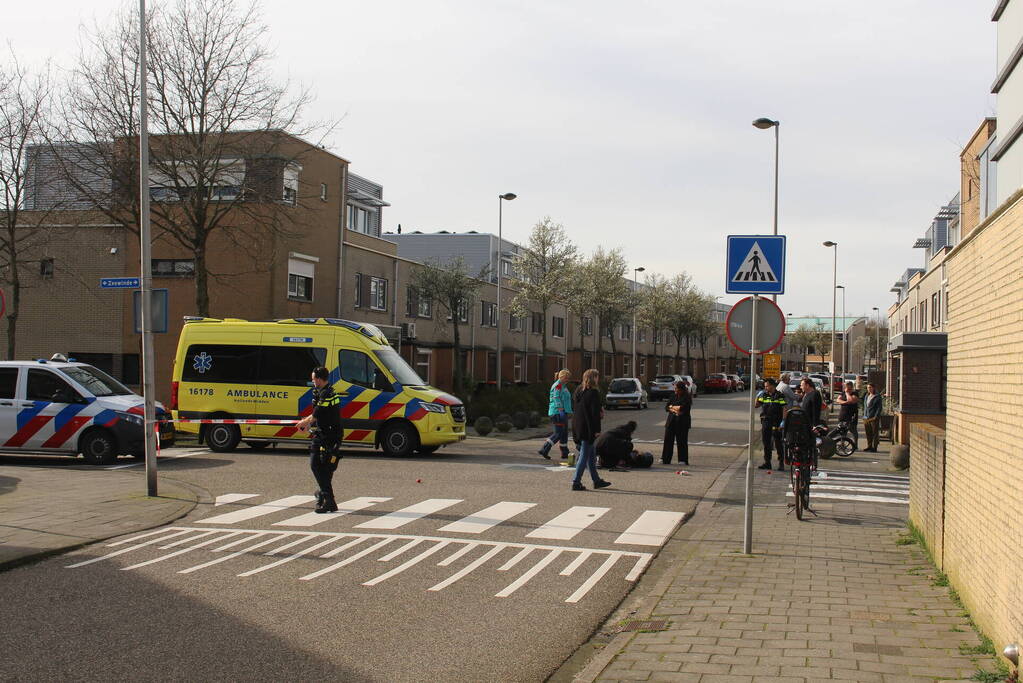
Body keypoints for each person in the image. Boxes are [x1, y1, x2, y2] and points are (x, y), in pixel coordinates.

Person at [296, 366, 343, 513]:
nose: (312, 381)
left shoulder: (327, 394)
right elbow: (317, 415)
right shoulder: (319, 391)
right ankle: (325, 497)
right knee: (323, 468)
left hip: (330, 436)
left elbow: (316, 414)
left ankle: (326, 497)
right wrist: (308, 423)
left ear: (319, 379)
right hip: (324, 433)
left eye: (313, 379)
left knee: (317, 465)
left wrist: (303, 423)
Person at [571, 368, 612, 491]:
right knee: (584, 455)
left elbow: (580, 409)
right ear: (593, 378)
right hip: (588, 428)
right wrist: (597, 430)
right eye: (597, 377)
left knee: (591, 455)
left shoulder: (579, 390)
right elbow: (594, 414)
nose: (598, 379)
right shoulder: (593, 392)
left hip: (578, 425)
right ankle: (576, 482)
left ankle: (596, 480)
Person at [539, 369, 573, 460]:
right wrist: (560, 409)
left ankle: (564, 452)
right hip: (557, 413)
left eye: (568, 378)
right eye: (566, 378)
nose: (568, 380)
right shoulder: (558, 385)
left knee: (564, 433)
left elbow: (566, 399)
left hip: (563, 412)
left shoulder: (563, 386)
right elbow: (556, 397)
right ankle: (544, 449)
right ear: (561, 377)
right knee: (558, 433)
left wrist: (568, 411)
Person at [757, 378, 787, 470]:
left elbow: (784, 408)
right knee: (766, 443)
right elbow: (756, 405)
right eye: (765, 386)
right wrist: (757, 396)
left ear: (772, 386)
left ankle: (781, 463)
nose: (765, 388)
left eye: (767, 386)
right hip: (766, 421)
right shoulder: (764, 395)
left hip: (776, 421)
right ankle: (767, 462)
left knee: (778, 443)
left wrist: (783, 420)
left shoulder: (779, 395)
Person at [662, 380, 693, 465]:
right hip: (671, 421)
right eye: (675, 388)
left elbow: (683, 408)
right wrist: (675, 408)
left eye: (676, 388)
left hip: (682, 422)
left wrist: (672, 407)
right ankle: (665, 459)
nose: (675, 390)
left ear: (681, 389)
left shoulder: (687, 397)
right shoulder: (672, 396)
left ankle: (682, 460)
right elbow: (666, 408)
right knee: (668, 440)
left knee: (682, 441)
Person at [835, 380, 860, 446]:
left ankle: (855, 444)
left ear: (851, 387)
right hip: (843, 415)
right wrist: (845, 402)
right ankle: (842, 444)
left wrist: (847, 393)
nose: (845, 389)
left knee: (853, 430)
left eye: (847, 387)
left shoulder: (855, 393)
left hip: (851, 415)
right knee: (842, 431)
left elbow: (851, 400)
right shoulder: (843, 393)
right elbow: (838, 400)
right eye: (845, 387)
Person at [862, 382, 883, 452]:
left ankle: (874, 447)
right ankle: (869, 446)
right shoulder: (867, 395)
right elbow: (865, 406)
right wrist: (863, 415)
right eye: (868, 388)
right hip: (866, 417)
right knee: (868, 433)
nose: (869, 389)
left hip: (873, 418)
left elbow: (879, 408)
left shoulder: (877, 396)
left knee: (874, 433)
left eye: (870, 387)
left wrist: (876, 417)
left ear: (873, 388)